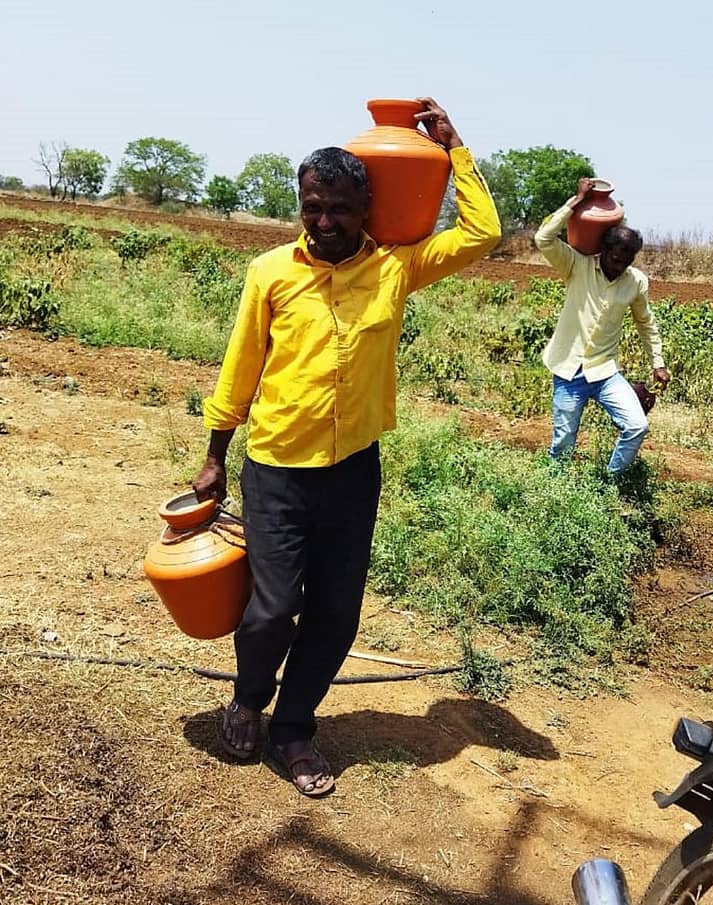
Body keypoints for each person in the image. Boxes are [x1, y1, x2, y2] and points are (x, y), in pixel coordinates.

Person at [192, 97, 500, 797]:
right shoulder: (271, 272)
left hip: (354, 469)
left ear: (367, 209)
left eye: (339, 208)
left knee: (336, 614)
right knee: (272, 607)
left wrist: (455, 148)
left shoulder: (396, 268)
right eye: (313, 207)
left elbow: (481, 232)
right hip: (275, 465)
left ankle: (294, 729)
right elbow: (240, 366)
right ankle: (248, 698)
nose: (325, 221)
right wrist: (215, 454)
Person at [534, 177, 670, 475]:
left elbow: (646, 323)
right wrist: (576, 201)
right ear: (604, 250)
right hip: (568, 370)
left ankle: (610, 484)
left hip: (605, 371)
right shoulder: (577, 265)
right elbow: (543, 238)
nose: (618, 266)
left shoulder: (636, 282)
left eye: (625, 261)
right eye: (615, 258)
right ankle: (555, 485)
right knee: (563, 442)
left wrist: (658, 363)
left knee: (636, 426)